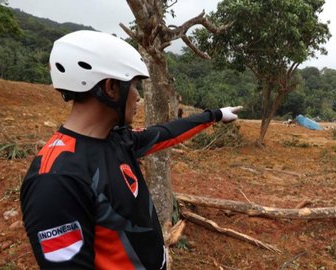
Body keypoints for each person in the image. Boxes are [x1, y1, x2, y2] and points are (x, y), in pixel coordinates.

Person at [20, 30, 242, 269]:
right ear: (110, 88)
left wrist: (216, 115)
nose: (137, 97)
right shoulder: (56, 178)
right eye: (134, 86)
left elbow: (166, 133)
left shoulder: (117, 140)